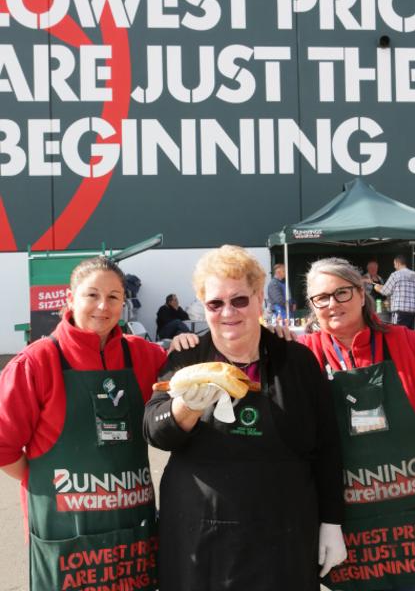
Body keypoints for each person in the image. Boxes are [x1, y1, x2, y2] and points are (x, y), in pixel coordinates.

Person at [143, 245, 346, 591]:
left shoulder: (296, 361)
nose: (228, 312)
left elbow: (327, 446)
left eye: (239, 300)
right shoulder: (187, 358)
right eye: (215, 303)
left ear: (258, 299)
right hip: (200, 538)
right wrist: (187, 407)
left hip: (283, 537)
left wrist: (331, 521)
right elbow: (155, 430)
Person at [0, 256, 167, 591]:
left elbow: (201, 372)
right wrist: (44, 479)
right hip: (67, 543)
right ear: (71, 298)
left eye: (114, 297)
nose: (103, 306)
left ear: (124, 303)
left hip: (131, 538)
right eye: (92, 295)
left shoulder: (146, 356)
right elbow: (2, 445)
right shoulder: (37, 362)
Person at [300, 257, 415, 590]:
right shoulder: (302, 355)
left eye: (342, 293)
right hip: (343, 516)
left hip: (409, 512)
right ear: (313, 307)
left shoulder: (406, 342)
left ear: (362, 293)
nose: (332, 304)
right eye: (322, 298)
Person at [374, 254, 415, 329]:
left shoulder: (396, 275)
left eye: (394, 264)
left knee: (398, 333)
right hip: (413, 311)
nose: (394, 267)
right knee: (409, 334)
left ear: (397, 263)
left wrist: (377, 287)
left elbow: (385, 291)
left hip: (400, 311)